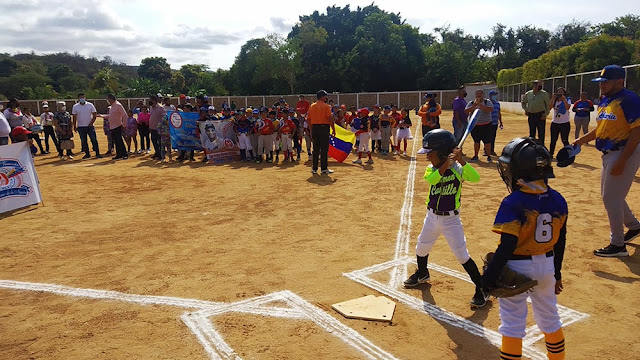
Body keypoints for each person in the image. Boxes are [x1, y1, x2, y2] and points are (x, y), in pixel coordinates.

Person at [483, 137, 567, 360]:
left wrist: (489, 276)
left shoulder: (513, 201)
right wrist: (557, 273)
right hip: (547, 264)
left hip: (517, 266)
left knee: (512, 324)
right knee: (550, 319)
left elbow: (508, 245)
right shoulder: (558, 199)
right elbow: (561, 241)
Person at [405, 129, 487, 309]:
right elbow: (434, 180)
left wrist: (460, 161)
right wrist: (446, 164)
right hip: (432, 217)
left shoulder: (458, 169)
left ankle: (482, 288)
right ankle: (422, 272)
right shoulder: (431, 169)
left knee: (461, 254)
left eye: (430, 154)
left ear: (442, 153)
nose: (427, 158)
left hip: (451, 221)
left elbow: (476, 178)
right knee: (421, 246)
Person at [574, 65, 640, 257]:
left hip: (625, 152)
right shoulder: (605, 100)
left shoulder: (630, 100)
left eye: (606, 81)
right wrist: (581, 140)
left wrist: (622, 161)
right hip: (609, 153)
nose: (602, 85)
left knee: (611, 198)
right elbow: (600, 129)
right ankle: (634, 226)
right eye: (601, 82)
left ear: (620, 81)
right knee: (611, 195)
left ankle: (618, 244)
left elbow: (637, 132)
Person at [307, 90, 336, 174]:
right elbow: (330, 118)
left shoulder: (312, 106)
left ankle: (314, 168)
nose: (326, 97)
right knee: (324, 149)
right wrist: (333, 129)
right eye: (326, 96)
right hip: (324, 128)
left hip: (315, 128)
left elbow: (308, 119)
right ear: (322, 97)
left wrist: (311, 129)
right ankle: (324, 168)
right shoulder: (326, 106)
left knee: (316, 149)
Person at [465, 89, 495, 162]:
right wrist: (474, 105)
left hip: (486, 125)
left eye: (480, 94)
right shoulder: (471, 102)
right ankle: (476, 156)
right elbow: (466, 111)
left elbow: (491, 109)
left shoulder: (487, 102)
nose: (478, 95)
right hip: (475, 125)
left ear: (483, 95)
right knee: (476, 141)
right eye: (477, 94)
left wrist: (480, 105)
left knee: (487, 141)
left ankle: (488, 156)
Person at [72, 93, 101, 159]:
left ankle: (97, 153)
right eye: (80, 97)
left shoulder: (90, 105)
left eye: (83, 97)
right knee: (84, 141)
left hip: (90, 126)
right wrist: (74, 126)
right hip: (81, 126)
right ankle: (87, 154)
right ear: (78, 98)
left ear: (85, 97)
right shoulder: (75, 106)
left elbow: (94, 114)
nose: (82, 98)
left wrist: (91, 123)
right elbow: (74, 117)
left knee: (93, 139)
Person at [548, 87, 572, 158]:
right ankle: (551, 154)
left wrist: (564, 100)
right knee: (553, 140)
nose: (560, 94)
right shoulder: (555, 101)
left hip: (564, 123)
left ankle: (569, 154)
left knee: (564, 140)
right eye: (559, 92)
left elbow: (567, 107)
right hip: (555, 122)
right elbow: (549, 108)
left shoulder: (567, 100)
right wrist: (552, 98)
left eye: (561, 92)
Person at [106, 94, 128, 160]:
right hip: (112, 126)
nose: (108, 101)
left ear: (111, 99)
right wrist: (102, 116)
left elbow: (125, 115)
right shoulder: (112, 106)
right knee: (116, 141)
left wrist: (124, 125)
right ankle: (119, 154)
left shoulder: (118, 105)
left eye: (108, 99)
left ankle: (124, 154)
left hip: (117, 126)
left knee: (119, 140)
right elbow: (110, 116)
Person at [149, 95, 167, 160]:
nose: (149, 101)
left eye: (151, 100)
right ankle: (157, 152)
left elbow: (164, 117)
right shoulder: (151, 108)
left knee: (159, 141)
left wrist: (161, 125)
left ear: (154, 101)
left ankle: (161, 154)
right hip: (152, 127)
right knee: (154, 140)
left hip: (159, 128)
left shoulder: (161, 108)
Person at [488, 90, 503, 156]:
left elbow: (499, 113)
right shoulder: (487, 103)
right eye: (494, 95)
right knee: (488, 137)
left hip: (495, 123)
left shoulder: (497, 103)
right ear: (490, 96)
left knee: (493, 137)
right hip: (488, 122)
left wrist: (501, 122)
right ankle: (487, 150)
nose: (495, 96)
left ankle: (491, 150)